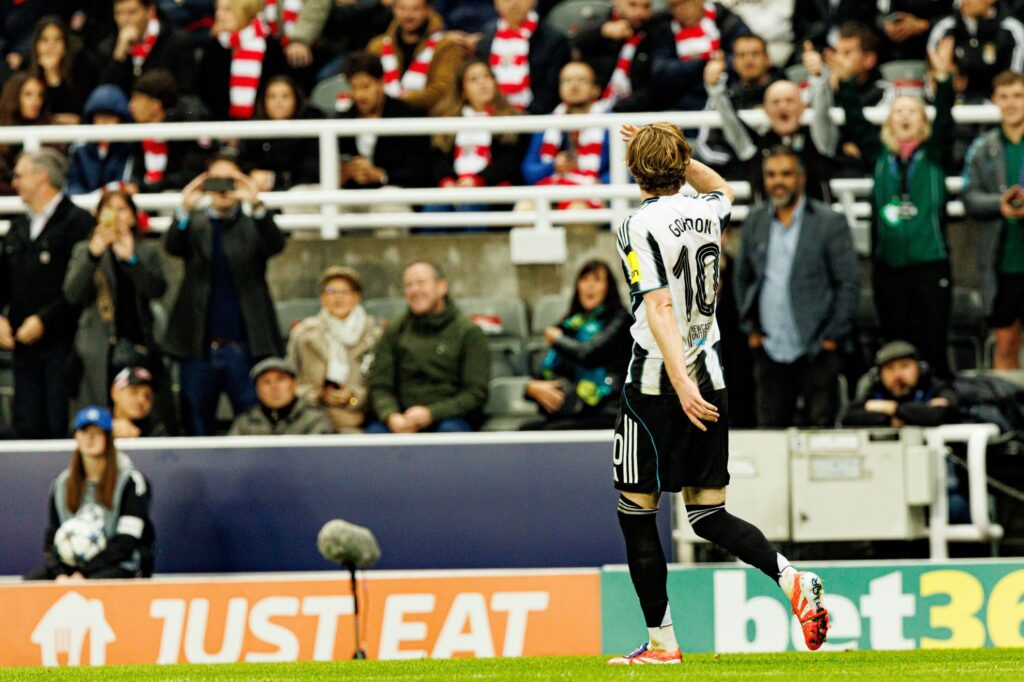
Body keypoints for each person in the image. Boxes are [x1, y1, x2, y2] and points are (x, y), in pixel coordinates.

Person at [606, 122, 828, 664]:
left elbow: (657, 305)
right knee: (707, 513)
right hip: (714, 369)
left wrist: (678, 382)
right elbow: (723, 186)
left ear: (636, 173)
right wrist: (674, 155)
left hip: (662, 378)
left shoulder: (635, 224)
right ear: (680, 165)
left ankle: (662, 642)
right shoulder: (708, 210)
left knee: (636, 511)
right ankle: (790, 577)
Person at [837, 36, 955, 378]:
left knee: (932, 344)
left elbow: (946, 119)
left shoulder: (934, 155)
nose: (904, 116)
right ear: (889, 121)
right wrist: (846, 82)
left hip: (931, 265)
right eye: (898, 111)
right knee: (895, 345)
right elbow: (857, 122)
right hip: (888, 268)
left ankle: (936, 404)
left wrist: (944, 80)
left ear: (923, 122)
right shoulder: (877, 156)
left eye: (912, 111)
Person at [733, 146, 860, 427]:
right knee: (770, 434)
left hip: (817, 347)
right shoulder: (755, 220)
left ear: (801, 179)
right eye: (771, 175)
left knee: (821, 434)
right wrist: (751, 328)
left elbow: (848, 283)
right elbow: (742, 278)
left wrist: (832, 337)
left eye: (786, 174)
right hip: (768, 346)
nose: (778, 181)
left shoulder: (829, 222)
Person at [163, 154, 288, 436]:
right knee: (196, 422)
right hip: (198, 347)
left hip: (244, 345)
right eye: (215, 180)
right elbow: (172, 246)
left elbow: (276, 245)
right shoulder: (194, 223)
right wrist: (184, 207)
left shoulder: (253, 222)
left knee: (253, 423)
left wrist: (255, 202)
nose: (222, 189)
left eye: (229, 180)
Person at [0, 149, 94, 439]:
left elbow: (78, 286)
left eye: (19, 175)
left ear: (42, 176)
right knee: (26, 424)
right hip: (22, 345)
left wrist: (44, 320)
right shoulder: (18, 227)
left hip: (63, 345)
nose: (14, 183)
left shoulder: (77, 222)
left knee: (58, 424)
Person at [63, 190, 168, 416]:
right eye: (109, 210)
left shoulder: (145, 250)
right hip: (98, 348)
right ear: (97, 215)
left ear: (132, 215)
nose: (116, 216)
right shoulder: (84, 250)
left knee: (140, 412)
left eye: (122, 209)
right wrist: (93, 255)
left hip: (139, 343)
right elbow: (72, 293)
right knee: (98, 411)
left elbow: (157, 290)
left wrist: (131, 260)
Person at [26, 406, 154, 580]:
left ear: (109, 438)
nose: (90, 438)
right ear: (77, 437)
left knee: (100, 581)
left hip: (118, 566)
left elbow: (126, 542)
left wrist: (84, 574)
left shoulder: (131, 482)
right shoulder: (61, 484)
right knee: (31, 583)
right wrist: (62, 574)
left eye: (97, 432)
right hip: (72, 569)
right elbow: (52, 538)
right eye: (85, 431)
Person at [704, 43, 839, 202]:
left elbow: (822, 113)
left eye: (789, 100)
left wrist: (818, 77)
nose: (782, 106)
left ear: (802, 107)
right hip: (768, 225)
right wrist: (715, 88)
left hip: (815, 225)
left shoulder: (819, 141)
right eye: (775, 102)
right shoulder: (755, 146)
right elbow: (731, 122)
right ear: (765, 110)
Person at [367, 261, 490, 433]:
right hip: (400, 418)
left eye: (421, 283)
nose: (414, 290)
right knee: (374, 435)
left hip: (450, 418)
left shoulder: (468, 332)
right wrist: (391, 416)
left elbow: (475, 393)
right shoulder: (394, 331)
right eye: (408, 285)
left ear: (441, 287)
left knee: (450, 433)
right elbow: (380, 386)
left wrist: (431, 414)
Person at [522, 260, 632, 430]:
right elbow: (547, 368)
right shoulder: (571, 323)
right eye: (585, 279)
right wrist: (532, 388)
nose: (589, 286)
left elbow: (588, 354)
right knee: (526, 430)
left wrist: (558, 339)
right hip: (574, 409)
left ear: (608, 288)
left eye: (597, 280)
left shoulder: (620, 319)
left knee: (546, 432)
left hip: (607, 410)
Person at [962, 70, 1024, 370]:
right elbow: (968, 197)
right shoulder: (982, 148)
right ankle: (1008, 411)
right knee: (1005, 343)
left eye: (1018, 96)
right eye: (1005, 96)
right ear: (994, 100)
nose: (1011, 103)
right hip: (1003, 261)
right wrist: (998, 205)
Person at [286, 266, 384, 433]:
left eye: (345, 291)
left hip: (357, 419)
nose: (338, 297)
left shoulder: (375, 336)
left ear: (357, 297)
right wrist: (316, 395)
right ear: (322, 298)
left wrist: (353, 396)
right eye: (331, 291)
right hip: (310, 417)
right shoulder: (303, 333)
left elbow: (383, 385)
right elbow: (289, 380)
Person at [428, 59, 525, 203]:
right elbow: (438, 158)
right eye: (474, 79)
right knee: (435, 207)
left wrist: (478, 180)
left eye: (487, 76)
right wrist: (447, 180)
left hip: (493, 191)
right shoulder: (448, 120)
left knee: (471, 203)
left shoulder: (513, 118)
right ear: (463, 92)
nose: (482, 83)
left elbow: (509, 161)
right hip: (453, 189)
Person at [521, 61, 610, 209]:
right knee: (524, 208)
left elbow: (627, 171)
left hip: (592, 194)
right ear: (559, 88)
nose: (574, 85)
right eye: (567, 81)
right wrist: (554, 165)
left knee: (577, 212)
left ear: (595, 89)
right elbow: (529, 171)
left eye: (581, 80)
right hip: (552, 188)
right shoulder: (547, 123)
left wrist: (600, 182)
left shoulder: (611, 123)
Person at [337, 52, 431, 191]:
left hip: (392, 192)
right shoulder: (342, 119)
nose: (359, 95)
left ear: (381, 83)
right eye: (354, 88)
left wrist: (381, 175)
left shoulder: (407, 116)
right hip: (351, 194)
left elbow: (420, 171)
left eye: (365, 86)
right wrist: (342, 173)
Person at [693, 33, 783, 176]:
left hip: (782, 170)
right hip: (736, 176)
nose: (748, 60)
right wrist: (743, 162)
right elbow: (706, 145)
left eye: (755, 54)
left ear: (768, 59)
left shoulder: (785, 91)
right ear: (733, 61)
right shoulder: (723, 95)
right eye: (741, 55)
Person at [649, 0, 750, 112]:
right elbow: (660, 71)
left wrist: (723, 65)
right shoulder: (664, 26)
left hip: (729, 99)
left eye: (684, 2)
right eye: (674, 6)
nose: (680, 9)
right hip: (681, 104)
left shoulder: (727, 21)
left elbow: (749, 57)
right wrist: (706, 63)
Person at [474, 0, 568, 114]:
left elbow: (551, 90)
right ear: (496, 3)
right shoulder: (485, 43)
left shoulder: (554, 40)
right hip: (490, 117)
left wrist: (524, 117)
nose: (514, 3)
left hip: (538, 120)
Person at [367, 0, 463, 112]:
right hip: (384, 120)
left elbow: (442, 90)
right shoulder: (377, 46)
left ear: (428, 10)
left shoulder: (446, 46)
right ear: (394, 9)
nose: (408, 15)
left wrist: (398, 99)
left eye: (415, 9)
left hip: (429, 120)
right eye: (402, 8)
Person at [198, 0, 287, 120]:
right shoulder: (215, 45)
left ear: (246, 12)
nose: (219, 15)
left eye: (227, 10)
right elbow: (204, 91)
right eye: (218, 9)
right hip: (221, 128)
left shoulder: (271, 47)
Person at [126, 69, 210, 194]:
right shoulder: (140, 130)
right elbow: (136, 174)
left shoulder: (188, 127)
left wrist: (145, 188)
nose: (130, 106)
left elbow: (189, 176)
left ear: (155, 105)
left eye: (137, 99)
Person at [841, 340, 957, 427]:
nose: (897, 374)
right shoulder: (877, 390)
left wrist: (892, 408)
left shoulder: (935, 386)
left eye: (904, 366)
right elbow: (849, 416)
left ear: (920, 369)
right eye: (889, 368)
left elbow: (938, 414)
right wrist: (891, 419)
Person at [927, 0, 1024, 102]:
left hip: (1001, 105)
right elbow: (931, 89)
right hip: (955, 105)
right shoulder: (946, 28)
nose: (965, 1)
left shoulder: (1011, 29)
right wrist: (943, 77)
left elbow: (1016, 81)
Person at [238, 75, 321, 192]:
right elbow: (244, 164)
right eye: (272, 97)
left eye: (285, 96)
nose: (278, 101)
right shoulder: (253, 130)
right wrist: (253, 175)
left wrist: (277, 178)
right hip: (259, 191)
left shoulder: (310, 127)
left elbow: (313, 169)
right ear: (263, 101)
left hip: (301, 190)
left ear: (296, 100)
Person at [574, 0, 658, 112]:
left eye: (646, 7)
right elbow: (578, 39)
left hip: (633, 112)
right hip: (593, 107)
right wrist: (603, 30)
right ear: (617, 3)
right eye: (632, 5)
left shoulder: (656, 31)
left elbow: (652, 86)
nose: (639, 13)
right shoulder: (598, 22)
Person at [98, 0, 196, 95]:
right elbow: (105, 95)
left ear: (150, 11)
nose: (124, 20)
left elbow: (185, 88)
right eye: (118, 13)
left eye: (132, 12)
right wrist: (119, 56)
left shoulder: (176, 41)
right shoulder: (109, 46)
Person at [229, 357, 335, 435]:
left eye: (281, 379)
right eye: (266, 382)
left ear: (294, 384)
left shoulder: (315, 418)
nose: (274, 387)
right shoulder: (244, 423)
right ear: (257, 390)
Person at [25, 15, 100, 124]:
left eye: (57, 40)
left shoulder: (81, 71)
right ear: (36, 45)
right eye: (45, 40)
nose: (51, 46)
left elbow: (76, 117)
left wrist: (53, 75)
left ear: (65, 45)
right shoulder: (26, 72)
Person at [67, 85, 134, 196]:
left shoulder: (128, 149)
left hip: (115, 207)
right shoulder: (80, 148)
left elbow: (123, 184)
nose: (104, 122)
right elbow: (73, 185)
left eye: (109, 117)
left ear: (120, 119)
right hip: (84, 209)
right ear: (91, 119)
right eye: (99, 116)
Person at [0, 71, 53, 194]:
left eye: (40, 95)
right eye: (28, 95)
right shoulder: (3, 128)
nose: (36, 101)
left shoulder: (49, 129)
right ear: (15, 96)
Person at [110, 366, 168, 438]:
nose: (141, 400)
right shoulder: (97, 420)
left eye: (147, 396)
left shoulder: (157, 431)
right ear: (115, 392)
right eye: (134, 392)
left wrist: (138, 439)